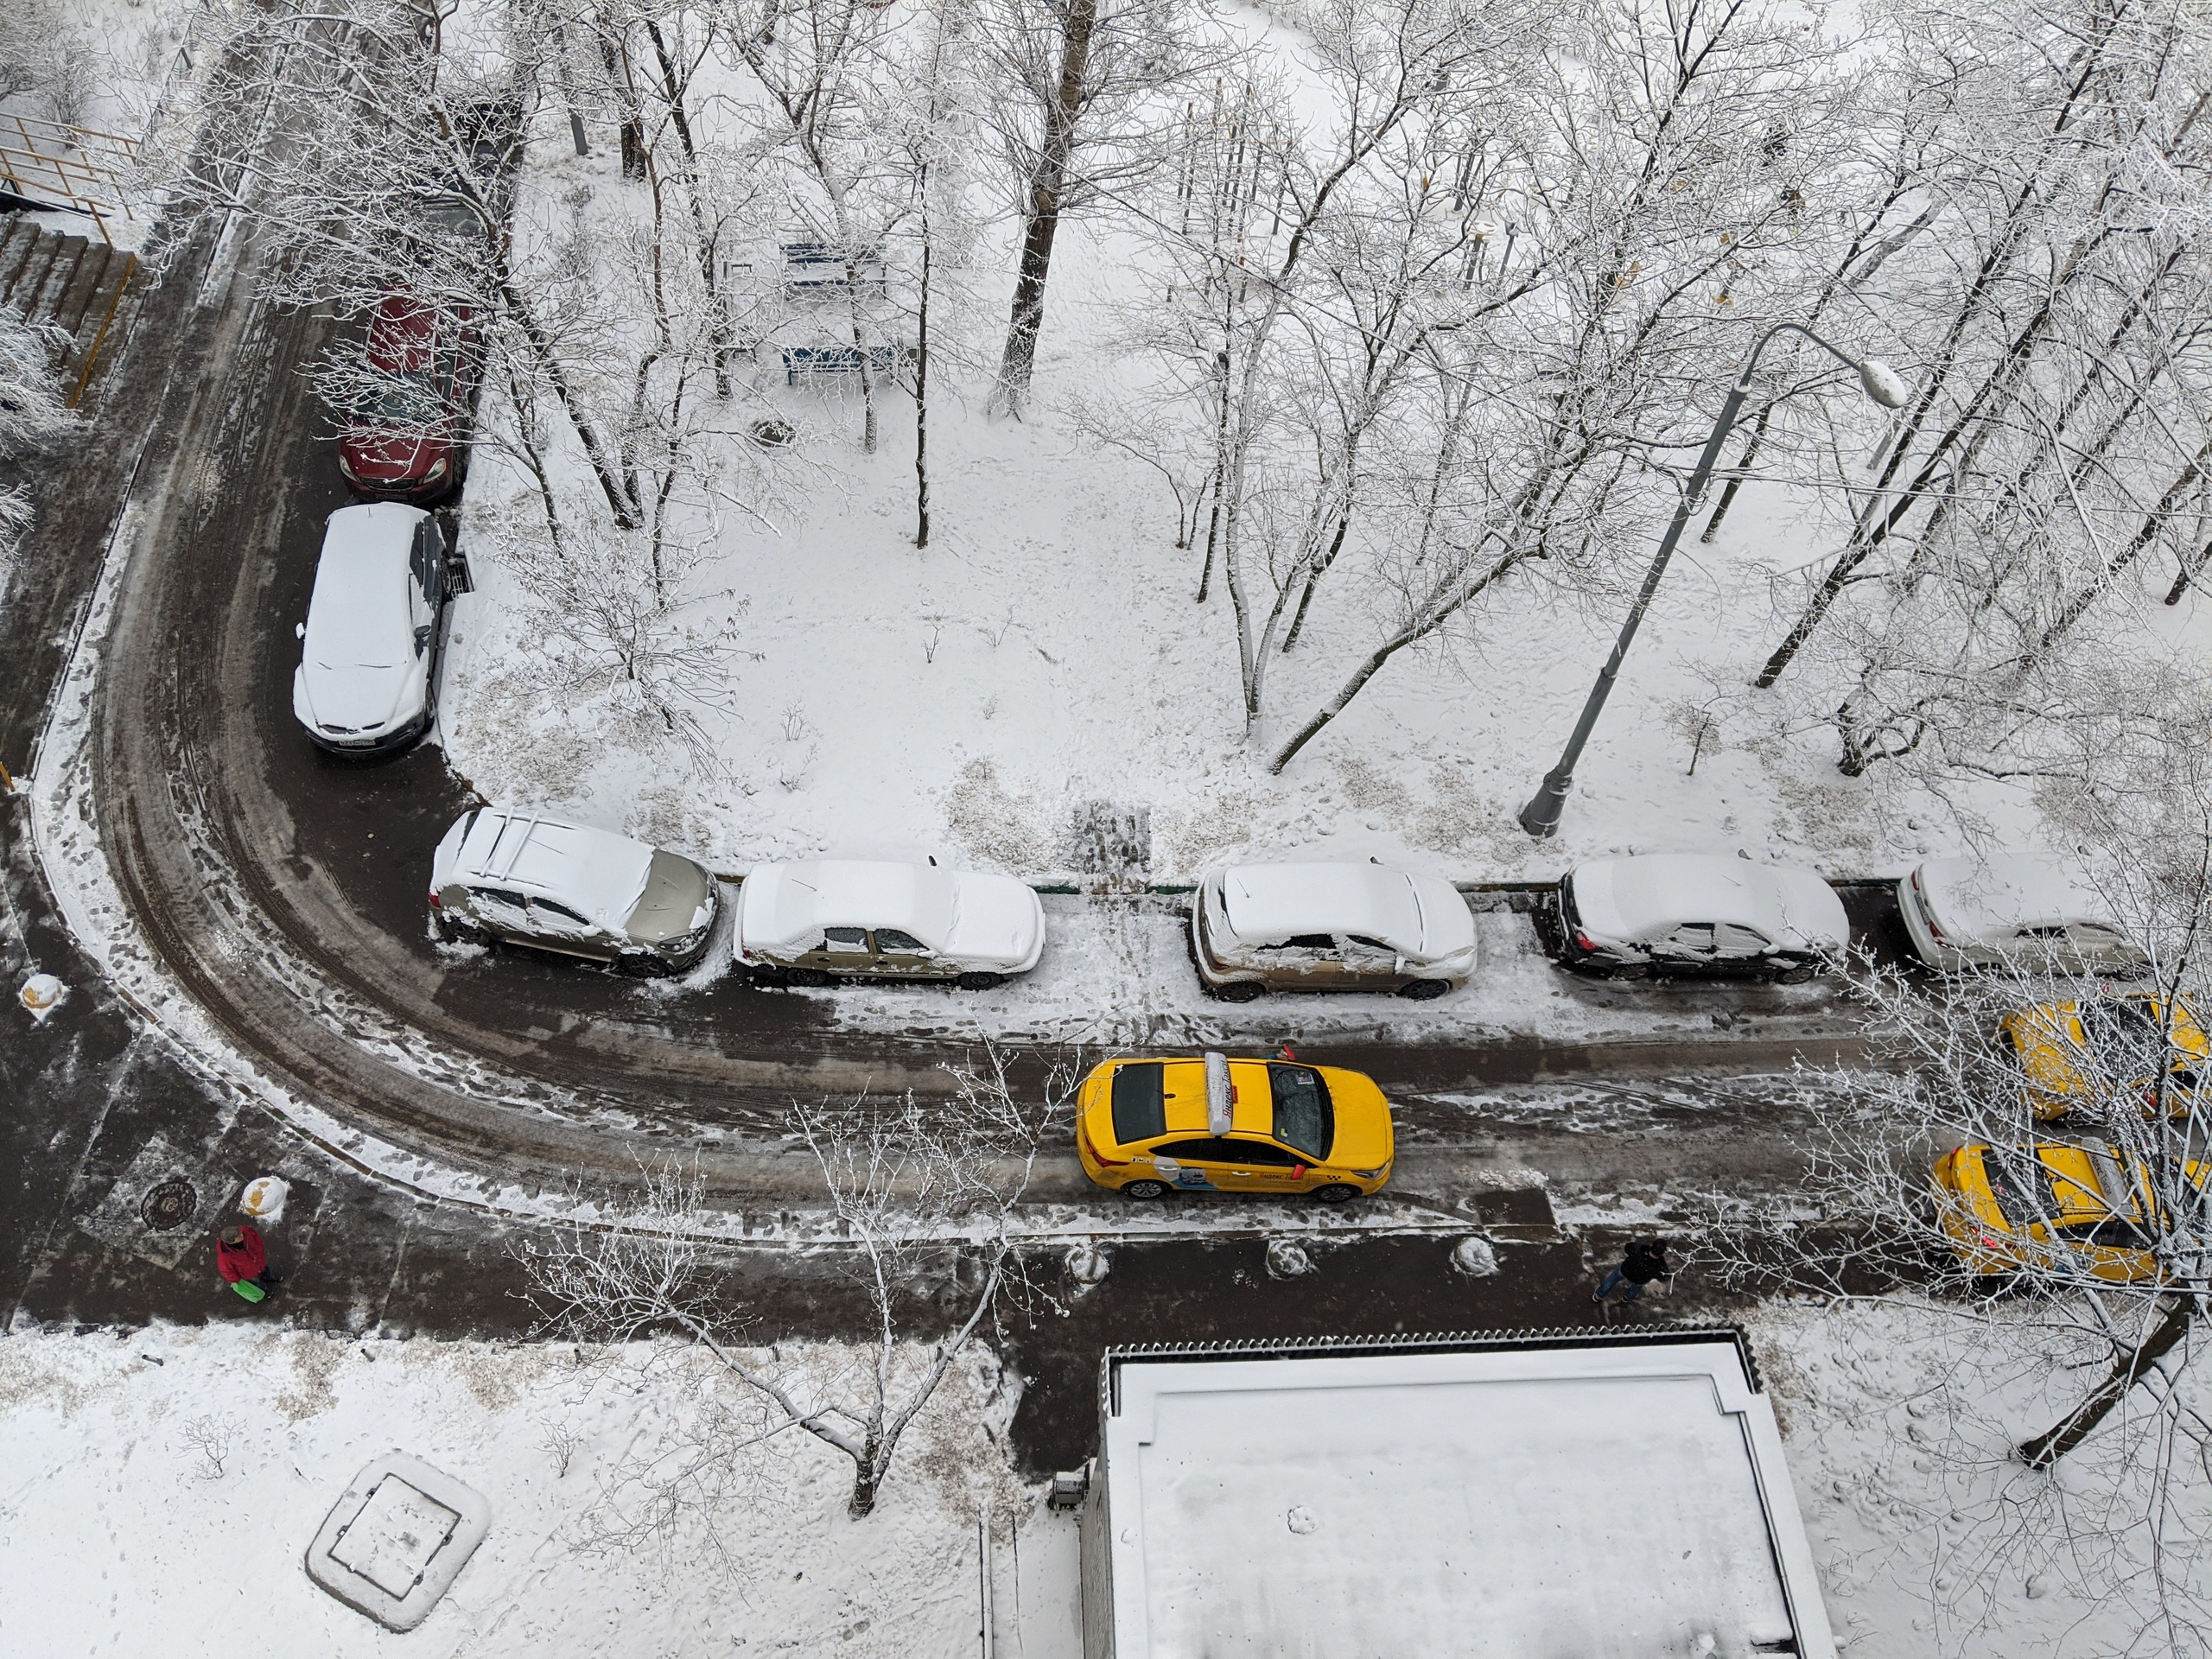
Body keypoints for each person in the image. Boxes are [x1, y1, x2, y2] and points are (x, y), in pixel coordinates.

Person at [1592, 1239, 1672, 1306]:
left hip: (1626, 1270)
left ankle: (1599, 1295)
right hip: (1640, 1279)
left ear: (1652, 1246)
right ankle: (1626, 1298)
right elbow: (1665, 1277)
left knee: (1612, 1280)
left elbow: (1627, 1247)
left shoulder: (1639, 1249)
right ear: (1662, 1253)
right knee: (1635, 1289)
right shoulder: (1660, 1265)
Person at [215, 1224, 281, 1300]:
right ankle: (265, 1291)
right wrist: (236, 1279)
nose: (242, 1234)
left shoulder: (245, 1231)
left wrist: (259, 1250)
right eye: (239, 1236)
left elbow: (255, 1236)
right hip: (249, 1273)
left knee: (266, 1269)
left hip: (259, 1261)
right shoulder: (225, 1257)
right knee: (258, 1283)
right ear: (231, 1242)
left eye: (240, 1233)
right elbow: (227, 1271)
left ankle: (269, 1277)